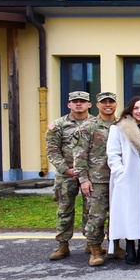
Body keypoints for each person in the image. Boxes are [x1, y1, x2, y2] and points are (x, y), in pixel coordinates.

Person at [107, 96, 140, 265]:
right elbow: (113, 154)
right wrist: (120, 173)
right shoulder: (119, 128)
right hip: (129, 178)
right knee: (131, 213)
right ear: (130, 110)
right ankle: (130, 249)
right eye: (136, 108)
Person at [73, 92, 118, 266]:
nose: (108, 105)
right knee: (96, 217)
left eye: (111, 102)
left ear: (115, 104)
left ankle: (115, 246)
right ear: (97, 105)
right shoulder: (87, 127)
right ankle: (95, 249)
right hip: (96, 179)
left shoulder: (121, 124)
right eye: (104, 102)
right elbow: (79, 155)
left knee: (117, 215)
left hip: (117, 178)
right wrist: (83, 179)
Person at [46, 91, 92, 261]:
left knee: (92, 210)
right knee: (65, 210)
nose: (78, 104)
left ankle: (91, 242)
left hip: (89, 174)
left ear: (89, 104)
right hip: (66, 175)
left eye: (82, 101)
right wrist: (66, 169)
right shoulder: (58, 125)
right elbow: (52, 151)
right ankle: (63, 245)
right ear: (69, 105)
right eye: (75, 101)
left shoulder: (95, 124)